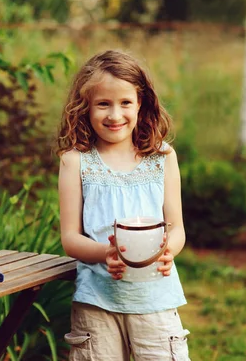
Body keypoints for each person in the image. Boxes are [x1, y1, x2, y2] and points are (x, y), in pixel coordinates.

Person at [57, 49, 190, 360]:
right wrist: (106, 253)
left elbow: (177, 228)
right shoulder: (76, 162)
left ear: (140, 104)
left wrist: (168, 251)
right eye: (103, 104)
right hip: (97, 302)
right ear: (85, 107)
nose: (115, 115)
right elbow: (70, 238)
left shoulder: (162, 158)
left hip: (155, 298)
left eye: (125, 103)